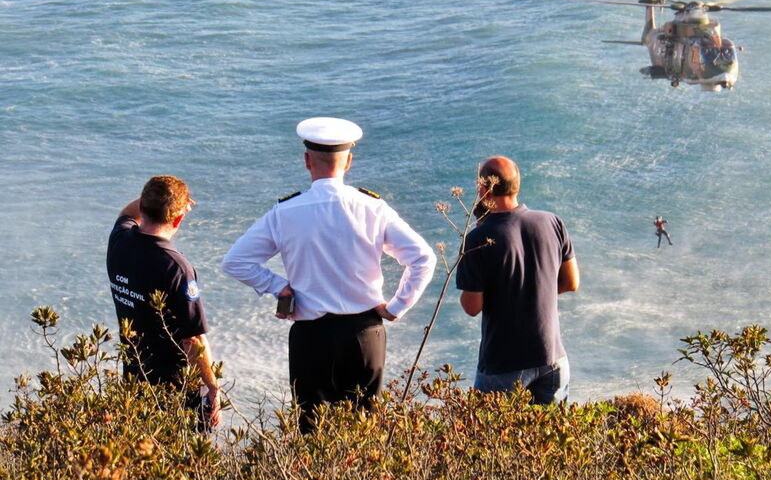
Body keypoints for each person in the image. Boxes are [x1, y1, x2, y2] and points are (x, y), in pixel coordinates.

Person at [222, 117, 436, 431]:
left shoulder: (285, 212)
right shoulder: (373, 208)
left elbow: (235, 262)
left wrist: (279, 287)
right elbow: (423, 258)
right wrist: (397, 306)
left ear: (307, 161)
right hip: (365, 332)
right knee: (364, 434)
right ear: (349, 161)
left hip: (311, 336)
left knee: (312, 432)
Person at [455, 156, 580, 403]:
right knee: (550, 438)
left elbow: (472, 307)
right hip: (552, 356)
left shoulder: (479, 237)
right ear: (517, 185)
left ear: (483, 187)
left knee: (490, 438)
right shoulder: (553, 221)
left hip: (504, 362)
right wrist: (532, 291)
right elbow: (571, 282)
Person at [106, 176, 221, 431]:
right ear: (178, 219)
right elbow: (193, 340)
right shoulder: (176, 267)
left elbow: (126, 212)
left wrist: (157, 198)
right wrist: (213, 389)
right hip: (175, 390)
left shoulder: (119, 241)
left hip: (134, 380)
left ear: (144, 207)